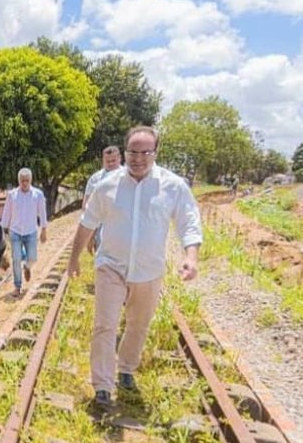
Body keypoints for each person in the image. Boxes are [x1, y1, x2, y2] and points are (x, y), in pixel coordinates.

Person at [68, 126, 203, 407]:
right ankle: (102, 386)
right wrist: (74, 258)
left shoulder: (173, 186)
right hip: (111, 266)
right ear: (125, 151)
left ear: (156, 152)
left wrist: (191, 256)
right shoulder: (107, 186)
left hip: (148, 271)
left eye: (145, 152)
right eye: (133, 152)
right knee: (105, 325)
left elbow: (189, 222)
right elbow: (87, 223)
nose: (138, 158)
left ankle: (126, 368)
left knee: (138, 324)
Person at [0, 168, 48, 296]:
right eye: (22, 181)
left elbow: (42, 212)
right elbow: (7, 213)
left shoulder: (38, 194)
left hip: (31, 231)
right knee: (16, 259)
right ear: (19, 181)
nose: (25, 183)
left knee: (32, 258)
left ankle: (27, 267)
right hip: (15, 232)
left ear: (30, 180)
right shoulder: (12, 195)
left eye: (27, 180)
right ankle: (17, 286)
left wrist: (44, 229)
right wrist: (3, 229)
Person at [82, 146, 123, 253]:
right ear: (103, 160)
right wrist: (89, 236)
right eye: (107, 161)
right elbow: (86, 207)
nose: (110, 164)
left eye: (113, 160)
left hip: (123, 226)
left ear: (119, 158)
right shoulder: (95, 179)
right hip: (101, 226)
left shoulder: (129, 177)